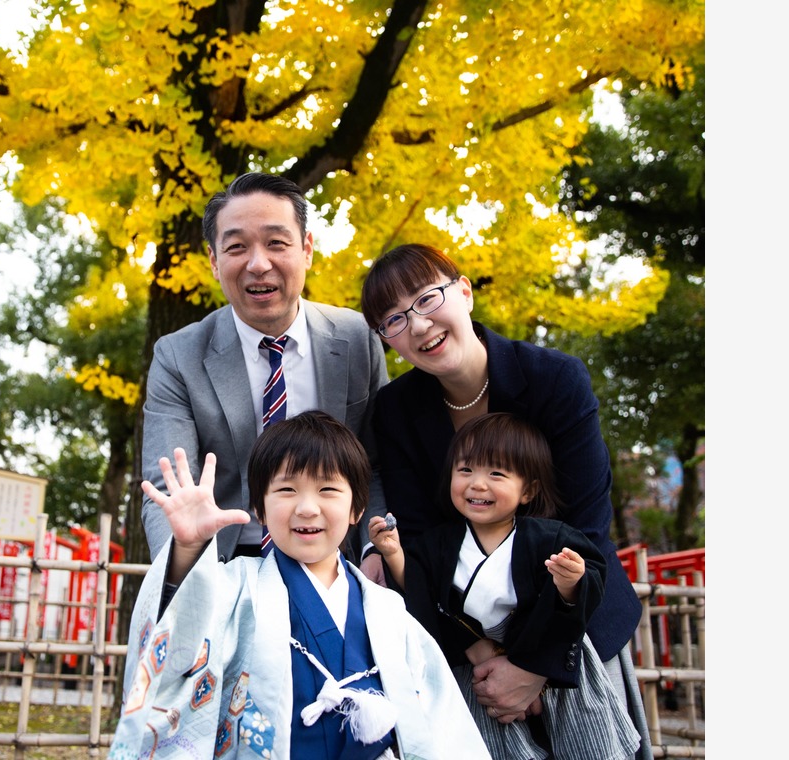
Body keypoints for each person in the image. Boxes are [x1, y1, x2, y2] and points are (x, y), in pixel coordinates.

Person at [358, 243, 651, 757]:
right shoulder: (396, 410)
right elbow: (424, 544)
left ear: (464, 291)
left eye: (428, 300)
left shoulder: (555, 380)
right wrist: (483, 657)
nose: (419, 326)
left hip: (573, 626)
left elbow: (588, 529)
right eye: (394, 320)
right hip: (469, 648)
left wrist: (534, 664)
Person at [109, 411, 491, 759]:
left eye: (328, 490)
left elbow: (441, 720)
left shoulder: (388, 610)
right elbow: (181, 639)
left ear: (357, 508)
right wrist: (189, 550)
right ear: (259, 507)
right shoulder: (236, 588)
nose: (307, 507)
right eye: (287, 490)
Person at [141, 172, 388, 564]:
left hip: (336, 559)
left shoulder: (358, 338)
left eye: (276, 243)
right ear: (214, 261)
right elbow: (168, 487)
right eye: (237, 247)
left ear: (306, 249)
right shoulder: (178, 356)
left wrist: (377, 550)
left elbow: (376, 464)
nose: (258, 264)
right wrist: (184, 565)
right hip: (226, 560)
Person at [367, 413, 640, 759]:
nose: (477, 484)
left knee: (586, 746)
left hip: (553, 661)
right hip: (477, 669)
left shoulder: (550, 538)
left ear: (528, 490)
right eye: (465, 471)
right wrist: (393, 554)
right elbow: (421, 592)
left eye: (496, 473)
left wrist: (572, 582)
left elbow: (585, 590)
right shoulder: (438, 544)